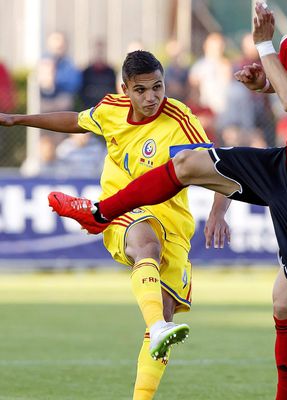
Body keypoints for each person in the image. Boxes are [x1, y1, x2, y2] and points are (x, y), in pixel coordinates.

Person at [47, 1, 287, 399]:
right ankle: (100, 213)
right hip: (286, 167)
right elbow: (285, 84)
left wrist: (262, 47)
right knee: (186, 163)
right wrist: (262, 80)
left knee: (284, 304)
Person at [0, 50, 230, 400]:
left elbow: (218, 168)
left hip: (175, 223)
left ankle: (148, 366)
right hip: (121, 208)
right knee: (146, 245)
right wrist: (18, 120)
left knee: (163, 318)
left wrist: (218, 211)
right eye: (141, 90)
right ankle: (157, 325)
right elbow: (76, 120)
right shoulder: (111, 110)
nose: (151, 97)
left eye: (158, 87)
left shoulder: (180, 118)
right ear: (126, 89)